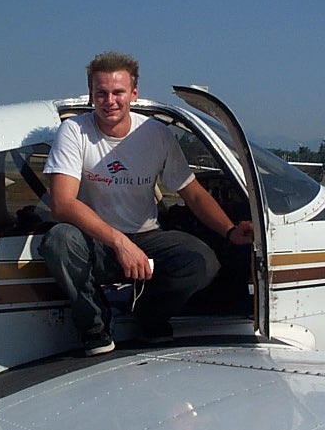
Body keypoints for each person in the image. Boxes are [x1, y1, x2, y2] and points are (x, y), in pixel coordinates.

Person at [40, 51, 254, 356]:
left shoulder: (156, 134)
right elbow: (62, 204)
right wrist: (119, 242)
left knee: (201, 260)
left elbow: (192, 193)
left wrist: (231, 232)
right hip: (96, 241)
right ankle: (95, 327)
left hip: (147, 237)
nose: (109, 100)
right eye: (101, 93)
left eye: (118, 92)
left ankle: (150, 314)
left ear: (134, 94)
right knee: (60, 239)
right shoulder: (74, 131)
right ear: (91, 95)